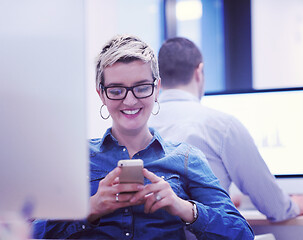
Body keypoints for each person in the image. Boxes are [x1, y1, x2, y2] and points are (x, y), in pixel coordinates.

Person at [32, 34, 254, 239]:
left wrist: (184, 208)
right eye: (117, 91)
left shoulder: (186, 158)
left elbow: (242, 233)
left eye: (141, 88)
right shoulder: (76, 159)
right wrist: (90, 208)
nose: (130, 101)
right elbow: (27, 231)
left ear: (157, 88)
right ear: (101, 94)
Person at [148, 37, 303, 222]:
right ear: (199, 72)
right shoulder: (222, 126)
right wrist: (297, 204)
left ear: (158, 79)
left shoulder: (138, 127)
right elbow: (274, 207)